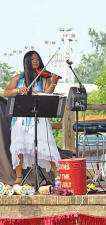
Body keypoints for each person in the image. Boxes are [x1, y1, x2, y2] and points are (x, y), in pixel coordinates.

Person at [4, 50, 61, 185]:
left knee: (47, 143)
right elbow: (6, 92)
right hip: (21, 118)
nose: (36, 61)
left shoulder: (43, 77)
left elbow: (47, 93)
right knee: (19, 144)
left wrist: (53, 82)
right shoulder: (19, 78)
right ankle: (18, 177)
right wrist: (19, 90)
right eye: (33, 59)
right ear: (27, 62)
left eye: (37, 59)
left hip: (39, 117)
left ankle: (58, 175)